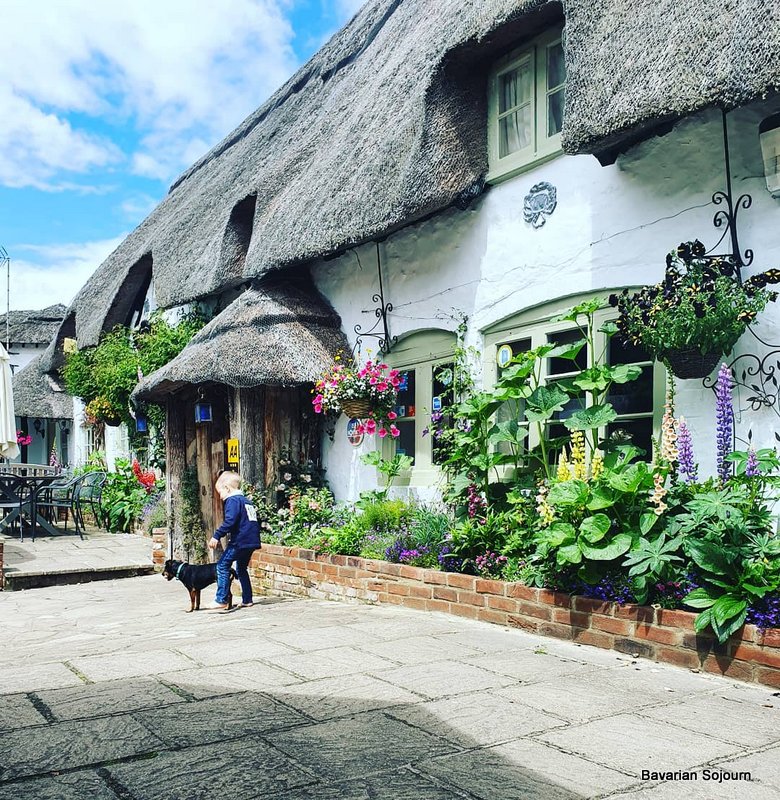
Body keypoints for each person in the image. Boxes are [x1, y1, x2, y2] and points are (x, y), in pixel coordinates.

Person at [207, 471, 261, 610]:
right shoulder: (247, 502)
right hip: (251, 541)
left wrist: (216, 535)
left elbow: (230, 521)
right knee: (241, 568)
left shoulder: (232, 500)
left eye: (220, 492)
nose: (220, 496)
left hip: (239, 541)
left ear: (227, 488)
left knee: (222, 566)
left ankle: (221, 599)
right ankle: (247, 599)